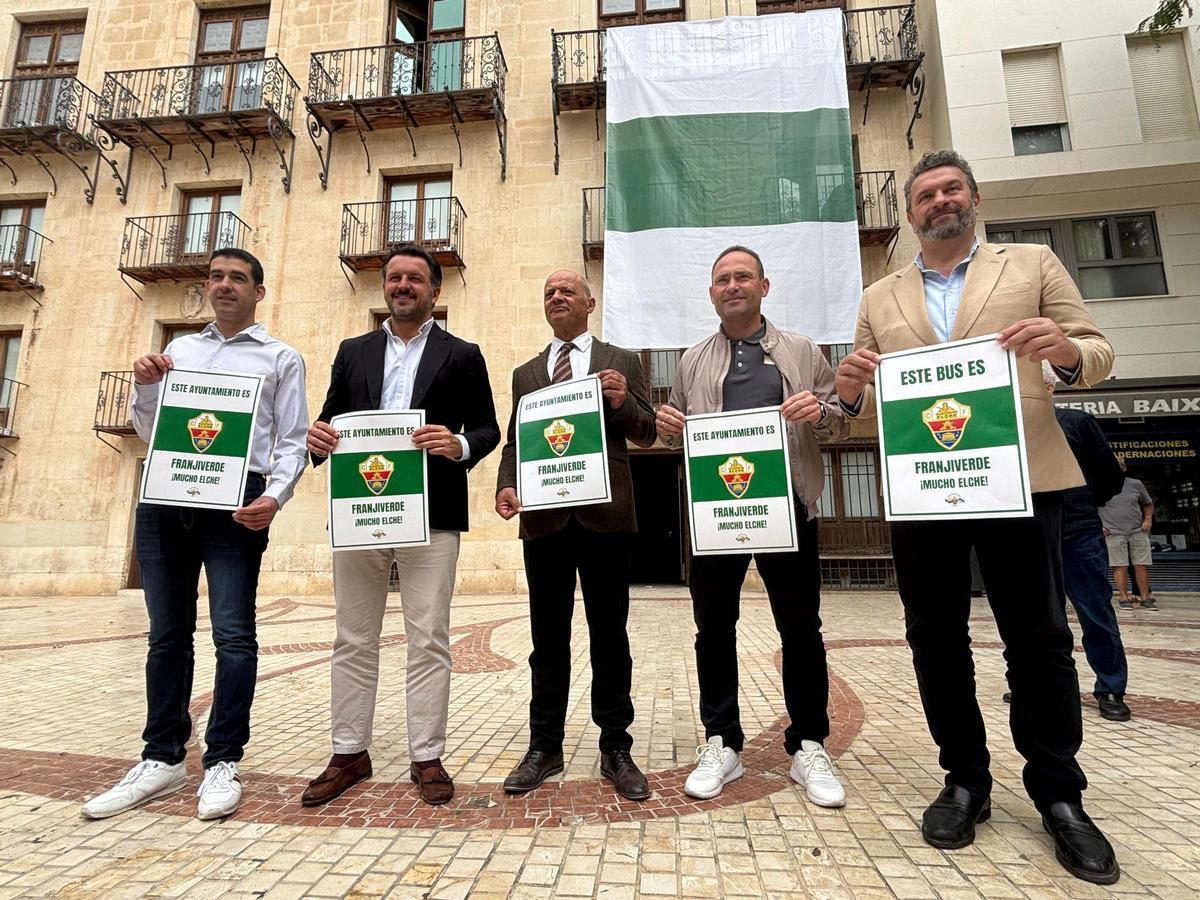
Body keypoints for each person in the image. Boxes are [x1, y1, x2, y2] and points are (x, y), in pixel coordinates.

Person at [836, 149, 1120, 885]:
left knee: (1040, 639)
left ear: (973, 197)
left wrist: (1063, 353)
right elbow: (865, 395)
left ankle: (1060, 795)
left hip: (1024, 479)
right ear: (910, 213)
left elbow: (1097, 349)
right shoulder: (878, 296)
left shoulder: (1030, 263)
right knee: (934, 638)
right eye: (925, 194)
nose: (938, 201)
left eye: (950, 189)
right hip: (925, 484)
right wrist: (846, 388)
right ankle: (965, 779)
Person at [83, 248, 309, 821]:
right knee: (166, 635)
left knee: (234, 635)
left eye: (237, 278)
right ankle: (161, 758)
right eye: (216, 277)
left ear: (259, 292)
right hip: (165, 497)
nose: (224, 285)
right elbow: (150, 428)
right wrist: (146, 386)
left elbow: (292, 439)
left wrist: (274, 497)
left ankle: (222, 761)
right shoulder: (178, 350)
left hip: (235, 503)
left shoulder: (282, 358)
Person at [302, 243, 499, 807]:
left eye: (415, 278)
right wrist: (318, 439)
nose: (403, 286)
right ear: (384, 287)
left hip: (432, 513)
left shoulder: (463, 354)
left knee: (429, 638)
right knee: (352, 636)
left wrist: (458, 443)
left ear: (435, 292)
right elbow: (330, 419)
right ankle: (348, 752)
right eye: (394, 278)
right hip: (359, 510)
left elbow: (487, 429)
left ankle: (426, 756)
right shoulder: (352, 350)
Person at [655, 245, 849, 807]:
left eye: (743, 277)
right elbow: (676, 428)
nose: (732, 285)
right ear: (711, 293)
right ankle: (722, 742)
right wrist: (669, 427)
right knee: (713, 630)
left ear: (765, 286)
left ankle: (808, 744)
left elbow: (839, 419)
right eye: (722, 279)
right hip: (717, 512)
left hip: (787, 506)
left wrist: (822, 412)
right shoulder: (692, 360)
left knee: (800, 630)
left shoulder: (803, 351)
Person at [495, 270, 657, 800]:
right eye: (548, 292)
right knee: (547, 640)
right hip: (543, 521)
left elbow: (647, 430)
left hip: (605, 518)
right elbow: (517, 442)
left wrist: (620, 401)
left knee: (611, 636)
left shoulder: (622, 361)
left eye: (567, 291)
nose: (557, 297)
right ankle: (545, 745)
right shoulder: (525, 373)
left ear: (590, 302)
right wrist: (507, 485)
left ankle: (616, 745)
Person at [1042, 363, 1131, 721]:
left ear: (1049, 389)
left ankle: (1110, 686)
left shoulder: (1076, 423)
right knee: (1037, 618)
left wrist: (1083, 502)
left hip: (1078, 531)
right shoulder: (1008, 427)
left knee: (1095, 610)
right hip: (1031, 534)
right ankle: (1039, 683)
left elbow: (1109, 476)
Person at [1100, 460, 1157, 610]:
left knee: (1141, 565)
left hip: (1138, 530)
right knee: (1120, 566)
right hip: (1113, 532)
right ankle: (1124, 598)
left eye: (1119, 467)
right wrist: (1099, 525)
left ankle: (1145, 598)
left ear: (1124, 468)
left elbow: (1148, 503)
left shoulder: (1135, 484)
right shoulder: (1099, 484)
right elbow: (1091, 507)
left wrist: (1148, 519)